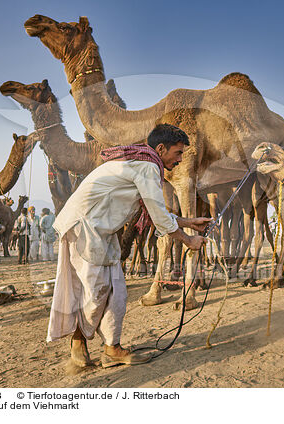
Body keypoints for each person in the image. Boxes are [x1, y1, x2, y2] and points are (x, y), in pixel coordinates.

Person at [47, 123, 211, 368]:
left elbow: (157, 210)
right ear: (161, 148)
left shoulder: (141, 164)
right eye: (178, 153)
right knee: (97, 291)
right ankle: (79, 339)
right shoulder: (146, 167)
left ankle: (111, 349)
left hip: (101, 230)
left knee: (116, 292)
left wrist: (189, 222)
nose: (179, 160)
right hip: (86, 228)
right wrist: (188, 240)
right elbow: (158, 214)